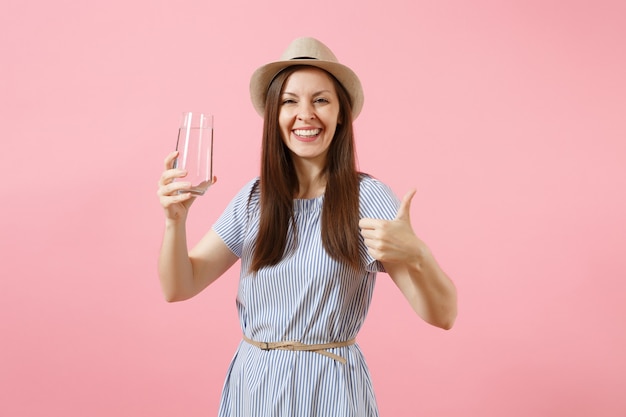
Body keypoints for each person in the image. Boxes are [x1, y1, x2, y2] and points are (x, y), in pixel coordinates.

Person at [157, 37, 457, 417]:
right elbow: (178, 286)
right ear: (274, 114)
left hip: (329, 389)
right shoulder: (254, 199)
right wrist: (174, 221)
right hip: (254, 389)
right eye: (289, 101)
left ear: (342, 114)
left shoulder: (368, 199)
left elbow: (443, 315)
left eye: (320, 100)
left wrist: (419, 254)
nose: (305, 114)